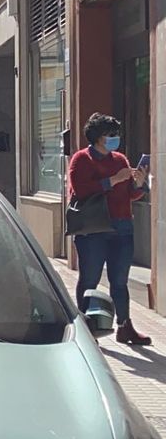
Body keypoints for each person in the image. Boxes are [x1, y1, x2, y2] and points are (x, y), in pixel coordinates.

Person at [68, 113, 151, 346]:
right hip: (93, 228)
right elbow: (82, 190)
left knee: (119, 280)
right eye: (110, 135)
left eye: (117, 135)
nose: (115, 139)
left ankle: (125, 326)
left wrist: (138, 183)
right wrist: (113, 180)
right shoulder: (81, 159)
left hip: (122, 226)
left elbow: (131, 194)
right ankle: (84, 326)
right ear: (97, 137)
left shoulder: (120, 160)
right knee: (90, 278)